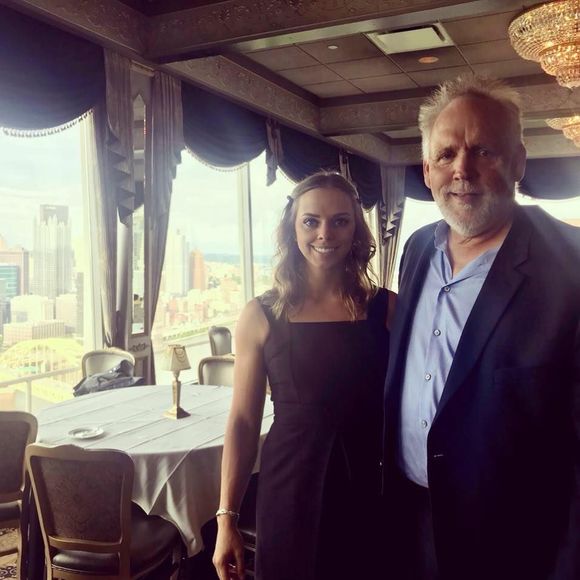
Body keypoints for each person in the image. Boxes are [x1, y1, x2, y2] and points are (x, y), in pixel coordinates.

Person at [382, 74, 580, 580]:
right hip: (410, 520)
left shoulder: (571, 266)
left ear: (518, 162)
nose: (462, 170)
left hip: (514, 542)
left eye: (484, 151)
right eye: (446, 155)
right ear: (427, 170)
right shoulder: (417, 250)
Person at [213, 171, 396, 580]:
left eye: (340, 221)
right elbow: (243, 421)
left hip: (369, 483)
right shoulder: (260, 314)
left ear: (356, 229)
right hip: (290, 485)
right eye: (311, 221)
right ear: (292, 228)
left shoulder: (387, 308)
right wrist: (227, 519)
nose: (324, 233)